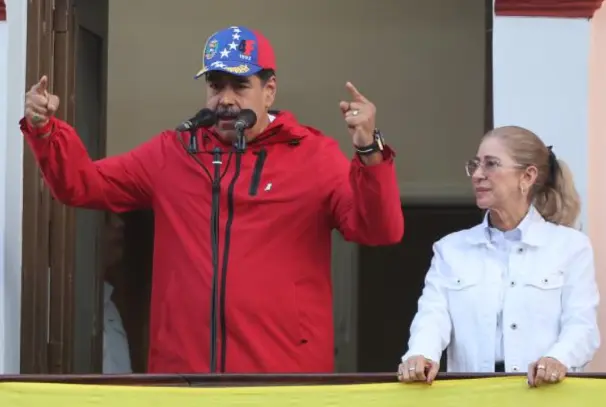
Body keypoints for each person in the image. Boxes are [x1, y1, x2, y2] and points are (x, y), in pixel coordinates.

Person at [20, 26, 404, 373]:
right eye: (216, 86)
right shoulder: (173, 152)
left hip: (283, 380)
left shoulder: (312, 156)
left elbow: (379, 230)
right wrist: (46, 130)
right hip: (183, 377)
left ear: (269, 90)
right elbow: (81, 184)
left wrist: (369, 152)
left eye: (240, 86)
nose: (225, 99)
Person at [397, 126, 599, 387]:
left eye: (491, 164)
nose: (477, 175)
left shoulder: (571, 247)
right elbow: (432, 317)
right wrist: (421, 354)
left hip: (544, 395)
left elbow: (582, 326)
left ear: (527, 176)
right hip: (473, 395)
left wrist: (557, 359)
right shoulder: (450, 249)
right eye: (475, 165)